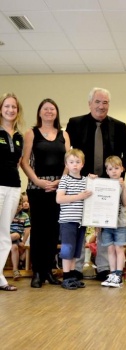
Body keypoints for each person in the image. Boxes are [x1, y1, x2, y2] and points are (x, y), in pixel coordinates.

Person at [66, 87, 126, 281]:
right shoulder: (75, 123)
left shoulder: (118, 126)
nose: (101, 106)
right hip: (82, 182)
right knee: (80, 224)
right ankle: (77, 268)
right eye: (97, 102)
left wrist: (120, 172)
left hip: (107, 185)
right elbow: (67, 151)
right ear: (90, 104)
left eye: (105, 102)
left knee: (106, 225)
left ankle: (105, 268)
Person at [21, 98, 70, 288]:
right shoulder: (31, 133)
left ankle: (49, 270)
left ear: (56, 113)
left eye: (52, 109)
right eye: (45, 109)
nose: (49, 112)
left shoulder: (64, 135)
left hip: (58, 188)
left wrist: (60, 181)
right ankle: (37, 272)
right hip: (37, 187)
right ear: (39, 113)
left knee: (53, 230)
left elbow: (69, 161)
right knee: (39, 230)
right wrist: (38, 181)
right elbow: (24, 161)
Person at [56, 149, 93, 290]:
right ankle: (66, 277)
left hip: (80, 222)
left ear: (82, 164)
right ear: (66, 164)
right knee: (67, 250)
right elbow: (59, 199)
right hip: (67, 221)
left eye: (78, 162)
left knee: (76, 251)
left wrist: (94, 180)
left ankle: (71, 276)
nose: (75, 165)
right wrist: (79, 196)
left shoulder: (85, 181)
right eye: (71, 162)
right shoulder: (65, 179)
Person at [0, 93, 24, 291]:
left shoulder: (18, 137)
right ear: (1, 109)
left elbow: (17, 163)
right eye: (7, 106)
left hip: (14, 187)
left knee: (4, 234)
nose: (10, 110)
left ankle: (0, 277)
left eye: (13, 107)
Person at [100, 156, 126, 288]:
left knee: (119, 248)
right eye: (110, 169)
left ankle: (119, 274)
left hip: (120, 223)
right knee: (110, 248)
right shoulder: (104, 185)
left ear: (122, 169)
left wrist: (123, 188)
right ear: (106, 171)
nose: (113, 171)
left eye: (116, 168)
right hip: (107, 223)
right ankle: (112, 273)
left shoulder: (125, 184)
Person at [10, 195, 31, 280]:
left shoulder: (25, 215)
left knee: (15, 245)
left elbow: (27, 230)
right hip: (6, 235)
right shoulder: (7, 214)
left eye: (19, 205)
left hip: (16, 239)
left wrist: (23, 242)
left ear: (21, 205)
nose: (17, 207)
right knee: (14, 237)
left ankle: (15, 270)